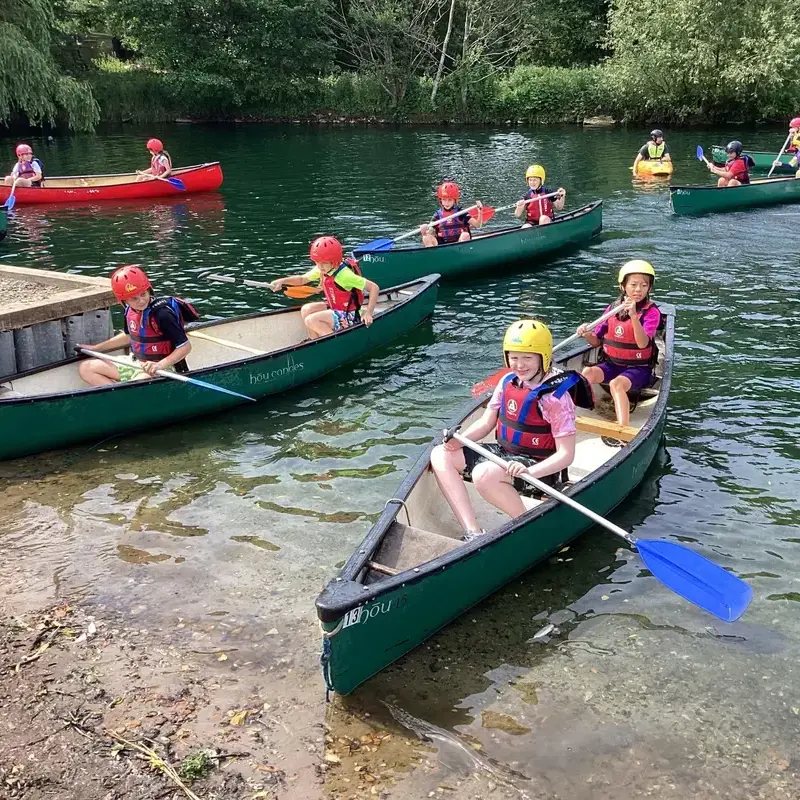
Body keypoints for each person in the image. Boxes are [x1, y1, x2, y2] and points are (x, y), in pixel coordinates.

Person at [430, 320, 580, 541]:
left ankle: (529, 524)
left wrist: (529, 472)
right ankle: (473, 532)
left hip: (538, 468)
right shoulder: (507, 381)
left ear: (543, 357)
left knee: (483, 474)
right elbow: (486, 422)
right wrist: (459, 440)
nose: (519, 365)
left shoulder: (555, 398)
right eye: (514, 357)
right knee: (440, 453)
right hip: (505, 455)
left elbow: (566, 455)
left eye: (527, 358)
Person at [77, 265, 196, 385]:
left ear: (149, 290)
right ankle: (120, 398)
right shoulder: (129, 310)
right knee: (86, 368)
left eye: (143, 294)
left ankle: (122, 398)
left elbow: (185, 347)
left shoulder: (163, 314)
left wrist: (160, 365)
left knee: (140, 381)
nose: (141, 301)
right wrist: (96, 348)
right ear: (124, 301)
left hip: (164, 368)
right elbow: (129, 336)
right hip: (135, 362)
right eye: (134, 298)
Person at [577, 260, 662, 428]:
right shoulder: (613, 309)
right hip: (612, 364)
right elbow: (596, 342)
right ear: (623, 286)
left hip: (639, 369)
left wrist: (633, 317)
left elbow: (643, 343)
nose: (638, 290)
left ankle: (622, 430)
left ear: (649, 288)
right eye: (633, 285)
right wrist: (587, 334)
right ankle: (579, 412)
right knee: (586, 373)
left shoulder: (652, 313)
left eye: (644, 285)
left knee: (617, 384)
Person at [269, 236, 379, 338]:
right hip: (335, 307)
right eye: (317, 262)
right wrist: (282, 281)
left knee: (311, 320)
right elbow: (302, 279)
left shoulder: (345, 275)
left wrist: (369, 313)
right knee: (306, 310)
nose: (320, 266)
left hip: (350, 315)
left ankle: (335, 342)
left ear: (334, 261)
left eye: (324, 263)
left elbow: (374, 288)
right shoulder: (323, 268)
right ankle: (314, 340)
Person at [420, 182, 483, 247]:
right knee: (426, 237)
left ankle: (461, 254)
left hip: (459, 244)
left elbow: (477, 225)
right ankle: (433, 255)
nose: (447, 203)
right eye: (444, 199)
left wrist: (480, 211)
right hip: (441, 245)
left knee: (465, 235)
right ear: (440, 200)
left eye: (449, 200)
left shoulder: (460, 212)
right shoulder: (437, 215)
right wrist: (424, 232)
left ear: (454, 200)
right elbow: (431, 233)